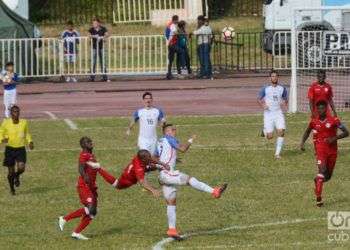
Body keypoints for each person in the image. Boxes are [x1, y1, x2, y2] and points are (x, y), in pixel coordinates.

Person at [157, 123, 227, 238]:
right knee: (189, 179)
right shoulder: (170, 138)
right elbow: (183, 149)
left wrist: (170, 161)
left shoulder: (160, 141)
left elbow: (155, 156)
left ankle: (172, 230)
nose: (175, 131)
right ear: (167, 132)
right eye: (173, 129)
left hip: (162, 175)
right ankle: (214, 191)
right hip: (167, 174)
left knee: (171, 202)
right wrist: (191, 139)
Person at [58, 137, 118, 240]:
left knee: (93, 212)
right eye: (88, 142)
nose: (91, 143)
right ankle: (64, 218)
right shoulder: (84, 155)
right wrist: (84, 176)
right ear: (83, 145)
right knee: (91, 208)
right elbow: (80, 168)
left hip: (92, 187)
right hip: (84, 186)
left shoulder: (91, 155)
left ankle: (76, 233)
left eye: (91, 141)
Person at [300, 100, 348, 207]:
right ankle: (319, 199)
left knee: (327, 176)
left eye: (322, 108)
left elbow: (346, 132)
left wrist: (334, 138)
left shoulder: (334, 120)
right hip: (320, 149)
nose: (320, 110)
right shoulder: (314, 121)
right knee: (322, 170)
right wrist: (302, 143)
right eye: (319, 108)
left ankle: (318, 181)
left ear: (326, 109)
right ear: (316, 110)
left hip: (332, 151)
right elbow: (307, 131)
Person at [96, 150, 169, 196]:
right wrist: (153, 190)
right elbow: (142, 182)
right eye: (148, 158)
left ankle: (160, 168)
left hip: (134, 171)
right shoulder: (138, 168)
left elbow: (151, 158)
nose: (150, 158)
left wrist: (163, 164)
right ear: (143, 159)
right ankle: (99, 169)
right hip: (126, 181)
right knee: (117, 185)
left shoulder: (139, 157)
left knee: (151, 166)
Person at [0, 105, 33, 195]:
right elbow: (1, 132)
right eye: (14, 112)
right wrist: (2, 139)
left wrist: (30, 141)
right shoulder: (6, 123)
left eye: (18, 112)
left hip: (20, 149)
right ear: (11, 113)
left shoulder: (23, 122)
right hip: (10, 149)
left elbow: (26, 133)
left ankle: (17, 175)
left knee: (21, 168)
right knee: (10, 172)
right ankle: (12, 189)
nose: (16, 113)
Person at [257, 70, 288, 159]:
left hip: (278, 113)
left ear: (278, 77)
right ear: (270, 78)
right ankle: (264, 131)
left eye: (276, 76)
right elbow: (259, 99)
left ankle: (277, 154)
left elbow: (285, 99)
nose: (274, 78)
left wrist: (285, 102)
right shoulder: (265, 88)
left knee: (281, 132)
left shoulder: (282, 88)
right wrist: (263, 105)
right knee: (270, 137)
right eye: (272, 76)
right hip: (268, 114)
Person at [88, 18, 109, 82]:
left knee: (103, 62)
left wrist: (103, 37)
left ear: (99, 23)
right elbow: (88, 35)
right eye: (93, 23)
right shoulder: (91, 29)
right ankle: (92, 77)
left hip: (101, 47)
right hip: (94, 47)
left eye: (95, 23)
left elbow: (107, 34)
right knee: (93, 62)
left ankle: (104, 76)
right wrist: (94, 36)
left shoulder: (103, 28)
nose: (94, 24)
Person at [165, 15, 182, 80]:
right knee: (180, 52)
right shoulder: (172, 25)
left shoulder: (170, 24)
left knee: (171, 59)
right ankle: (178, 72)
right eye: (177, 20)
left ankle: (169, 74)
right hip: (172, 43)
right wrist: (180, 33)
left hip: (171, 44)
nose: (178, 21)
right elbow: (175, 33)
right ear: (175, 20)